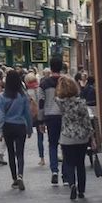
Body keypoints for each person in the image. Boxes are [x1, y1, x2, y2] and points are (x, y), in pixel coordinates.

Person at [57, 74, 94, 200]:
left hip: (66, 137)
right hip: (81, 137)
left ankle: (72, 184)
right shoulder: (81, 103)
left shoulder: (60, 103)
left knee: (68, 163)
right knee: (80, 164)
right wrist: (92, 137)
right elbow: (87, 121)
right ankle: (81, 190)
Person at [0, 69, 32, 191]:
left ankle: (14, 178)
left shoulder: (2, 96)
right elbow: (27, 113)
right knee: (20, 153)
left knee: (11, 153)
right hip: (20, 125)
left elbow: (0, 115)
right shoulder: (23, 96)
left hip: (8, 126)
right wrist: (29, 128)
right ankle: (20, 174)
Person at [38, 56, 64, 184]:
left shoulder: (44, 83)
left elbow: (41, 102)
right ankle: (66, 174)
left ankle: (54, 170)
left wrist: (41, 121)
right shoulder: (65, 82)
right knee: (65, 145)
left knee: (52, 144)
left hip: (50, 116)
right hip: (64, 116)